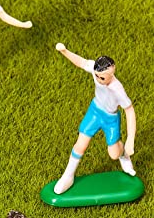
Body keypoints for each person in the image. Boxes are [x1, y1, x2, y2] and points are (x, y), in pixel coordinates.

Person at [53, 43, 136, 194]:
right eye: (96, 75)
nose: (98, 79)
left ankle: (123, 155)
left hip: (110, 118)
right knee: (81, 144)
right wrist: (64, 51)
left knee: (114, 154)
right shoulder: (95, 70)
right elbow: (81, 62)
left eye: (102, 77)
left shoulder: (117, 89)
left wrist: (130, 139)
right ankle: (68, 176)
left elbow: (129, 111)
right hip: (95, 111)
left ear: (111, 74)